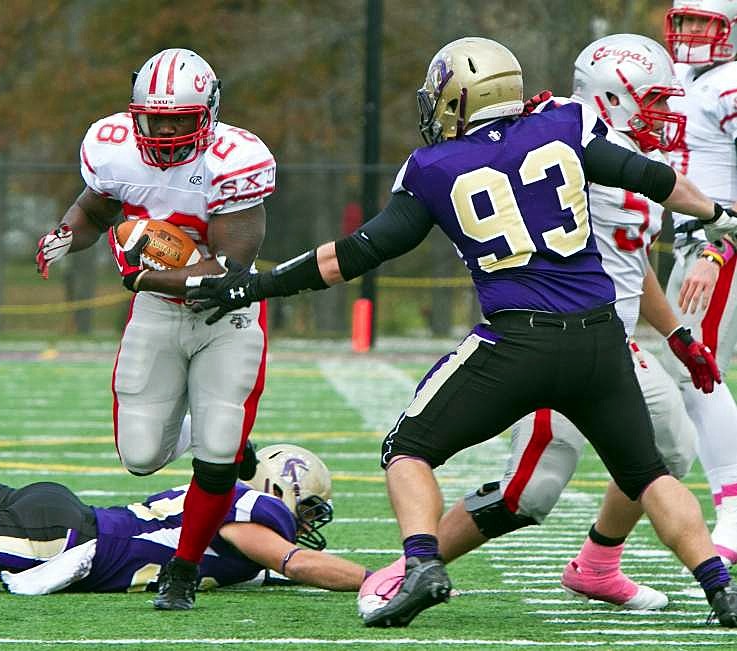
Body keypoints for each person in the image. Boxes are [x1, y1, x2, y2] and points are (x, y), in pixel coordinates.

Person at [185, 36, 737, 628]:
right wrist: (719, 217)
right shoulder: (567, 126)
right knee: (649, 474)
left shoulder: (432, 167)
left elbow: (353, 254)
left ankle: (422, 563)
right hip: (600, 339)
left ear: (457, 99)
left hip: (517, 341)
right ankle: (720, 588)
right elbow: (655, 178)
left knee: (407, 450)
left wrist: (256, 286)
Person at [351, 33, 720, 616]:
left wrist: (675, 332)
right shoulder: (569, 140)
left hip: (612, 340)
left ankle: (597, 565)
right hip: (560, 332)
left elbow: (631, 261)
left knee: (671, 452)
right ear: (612, 98)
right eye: (652, 101)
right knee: (531, 491)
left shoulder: (622, 154)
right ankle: (407, 570)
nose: (664, 115)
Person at [0, 306, 365, 594]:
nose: (307, 520)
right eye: (308, 506)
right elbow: (296, 563)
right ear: (281, 489)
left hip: (60, 510)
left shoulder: (227, 504)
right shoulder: (256, 515)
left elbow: (266, 568)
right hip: (63, 539)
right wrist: (378, 578)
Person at [32, 47, 276, 609]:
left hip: (227, 314)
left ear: (207, 114)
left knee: (217, 450)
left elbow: (228, 268)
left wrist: (145, 277)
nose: (164, 131)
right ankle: (219, 438)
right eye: (154, 118)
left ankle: (183, 570)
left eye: (178, 119)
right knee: (139, 456)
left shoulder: (235, 159)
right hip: (159, 312)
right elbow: (95, 211)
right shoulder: (113, 148)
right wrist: (65, 234)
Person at [664, 0, 737, 566]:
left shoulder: (730, 84)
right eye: (684, 21)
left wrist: (719, 247)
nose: (690, 33)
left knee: (698, 371)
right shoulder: (684, 78)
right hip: (690, 244)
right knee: (685, 374)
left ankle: (733, 506)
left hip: (718, 244)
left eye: (702, 23)